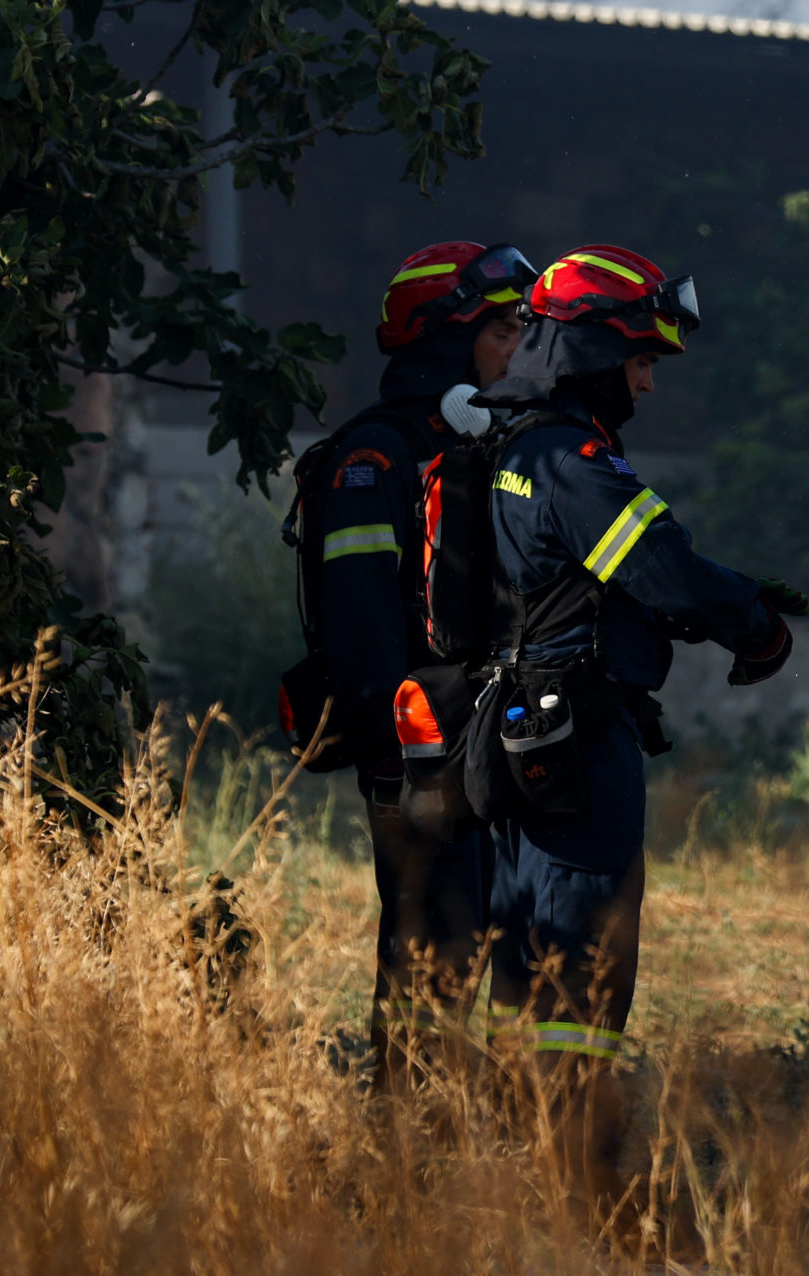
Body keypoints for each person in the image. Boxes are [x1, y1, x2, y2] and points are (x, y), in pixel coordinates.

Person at [468, 244, 804, 1183]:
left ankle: (524, 1177)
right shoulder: (571, 462)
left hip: (521, 737)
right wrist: (753, 624)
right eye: (641, 362)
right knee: (583, 962)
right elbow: (658, 566)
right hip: (579, 747)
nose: (648, 386)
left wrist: (719, 595)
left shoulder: (512, 446)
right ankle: (588, 1193)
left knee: (527, 960)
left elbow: (607, 587)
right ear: (591, 356)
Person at [304, 240, 537, 1078]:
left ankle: (440, 1128)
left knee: (473, 938)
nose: (519, 347)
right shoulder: (375, 459)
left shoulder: (477, 447)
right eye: (505, 330)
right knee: (429, 946)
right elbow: (364, 628)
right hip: (416, 754)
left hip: (481, 746)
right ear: (446, 339)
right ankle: (406, 1136)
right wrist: (405, 760)